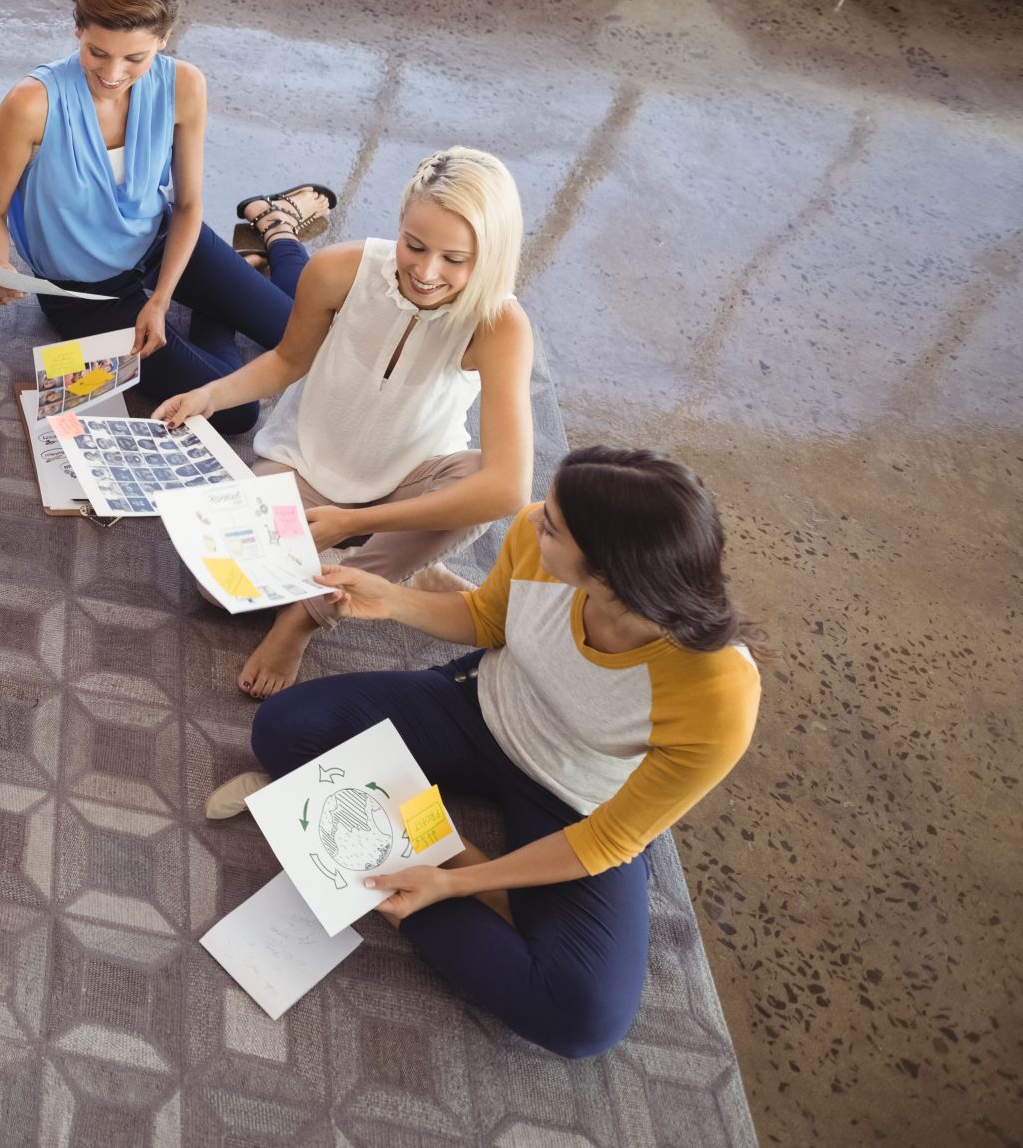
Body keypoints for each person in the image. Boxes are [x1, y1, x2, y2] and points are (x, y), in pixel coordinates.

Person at [206, 447, 759, 1059]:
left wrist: (455, 882)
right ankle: (457, 870)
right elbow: (490, 621)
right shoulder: (532, 536)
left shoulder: (718, 694)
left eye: (554, 525)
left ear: (610, 575)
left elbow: (609, 842)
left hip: (577, 802)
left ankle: (401, 860)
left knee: (583, 1018)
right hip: (478, 709)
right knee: (287, 727)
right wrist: (392, 599)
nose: (533, 515)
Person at [157, 146, 536, 697]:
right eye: (414, 245)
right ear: (399, 222)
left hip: (411, 480)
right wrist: (209, 394)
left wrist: (348, 523)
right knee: (217, 590)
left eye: (455, 259)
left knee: (479, 477)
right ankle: (398, 563)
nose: (427, 272)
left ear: (491, 254)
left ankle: (308, 614)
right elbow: (287, 360)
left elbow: (508, 489)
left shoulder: (500, 324)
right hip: (304, 467)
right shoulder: (338, 269)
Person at [0, 0, 335, 432]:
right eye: (98, 52)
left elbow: (188, 204)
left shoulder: (184, 84)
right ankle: (235, 280)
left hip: (163, 244)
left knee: (314, 341)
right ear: (78, 29)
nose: (113, 73)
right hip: (83, 293)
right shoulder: (30, 103)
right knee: (235, 410)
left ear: (164, 39)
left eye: (135, 58)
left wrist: (161, 300)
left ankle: (278, 229)